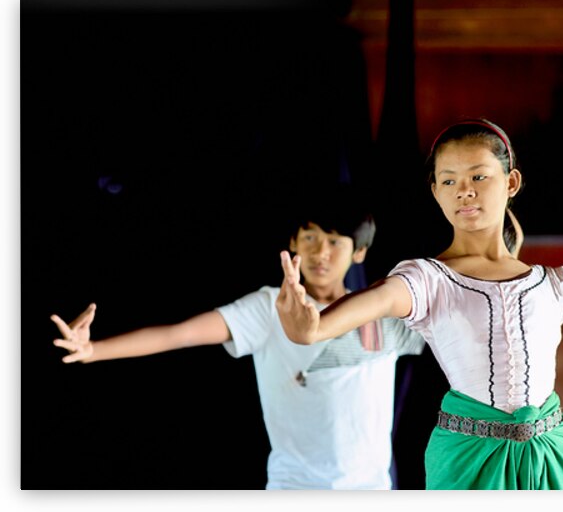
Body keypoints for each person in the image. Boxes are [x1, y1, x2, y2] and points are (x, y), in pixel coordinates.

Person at [276, 118, 563, 490]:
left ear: (511, 181)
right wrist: (310, 328)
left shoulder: (554, 285)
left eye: (479, 176)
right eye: (449, 180)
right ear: (435, 191)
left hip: (550, 453)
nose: (465, 190)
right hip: (466, 460)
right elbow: (371, 302)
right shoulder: (425, 279)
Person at [50, 191, 426, 490]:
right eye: (309, 237)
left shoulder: (384, 310)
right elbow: (179, 334)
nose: (320, 252)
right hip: (293, 489)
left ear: (359, 251)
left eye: (334, 241)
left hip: (372, 491)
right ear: (293, 241)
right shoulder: (269, 307)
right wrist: (94, 350)